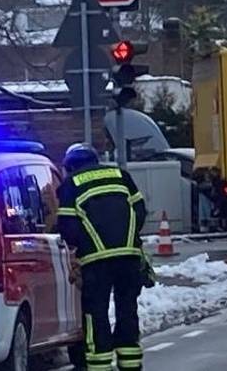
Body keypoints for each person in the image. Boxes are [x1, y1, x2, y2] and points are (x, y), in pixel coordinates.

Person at [56, 144, 148, 371]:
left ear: (70, 166)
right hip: (129, 257)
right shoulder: (121, 175)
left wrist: (81, 247)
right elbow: (140, 211)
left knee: (96, 313)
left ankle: (99, 365)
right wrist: (127, 239)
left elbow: (67, 224)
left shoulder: (71, 184)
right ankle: (131, 364)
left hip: (96, 262)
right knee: (127, 310)